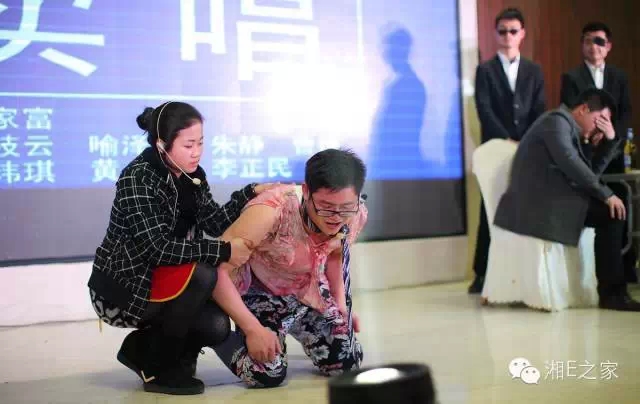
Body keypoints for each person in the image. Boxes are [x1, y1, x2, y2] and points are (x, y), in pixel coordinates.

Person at [87, 101, 277, 395]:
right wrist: (224, 251)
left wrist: (249, 193)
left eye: (200, 142)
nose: (197, 152)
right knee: (203, 274)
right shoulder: (137, 178)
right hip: (125, 288)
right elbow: (157, 249)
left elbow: (215, 221)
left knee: (216, 325)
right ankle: (160, 370)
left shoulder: (192, 175)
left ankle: (142, 350)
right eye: (188, 145)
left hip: (165, 280)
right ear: (162, 144)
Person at [208, 148, 368, 388]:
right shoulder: (271, 209)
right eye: (326, 206)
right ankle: (215, 334)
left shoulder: (355, 213)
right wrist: (252, 329)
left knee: (348, 359)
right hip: (259, 293)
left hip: (309, 290)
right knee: (265, 374)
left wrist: (340, 305)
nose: (336, 217)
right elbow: (217, 269)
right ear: (306, 191)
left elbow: (335, 254)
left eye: (345, 207)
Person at [493, 88, 640, 312]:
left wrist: (607, 141)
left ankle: (613, 292)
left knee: (611, 212)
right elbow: (571, 162)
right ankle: (612, 294)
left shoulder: (571, 130)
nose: (602, 126)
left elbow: (590, 173)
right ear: (584, 109)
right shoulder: (556, 122)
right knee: (611, 213)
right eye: (602, 119)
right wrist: (606, 194)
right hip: (539, 203)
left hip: (555, 198)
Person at [470, 7, 546, 294]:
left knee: (523, 206)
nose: (507, 36)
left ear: (522, 34)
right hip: (495, 149)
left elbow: (539, 110)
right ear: (495, 34)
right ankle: (482, 273)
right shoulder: (485, 70)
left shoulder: (534, 71)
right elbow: (484, 110)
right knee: (489, 206)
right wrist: (505, 139)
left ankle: (519, 273)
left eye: (513, 31)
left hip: (527, 148)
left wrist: (525, 141)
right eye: (502, 31)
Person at [560, 21, 636, 283]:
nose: (594, 46)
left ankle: (626, 267)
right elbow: (571, 111)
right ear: (582, 45)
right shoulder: (571, 77)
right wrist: (593, 135)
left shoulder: (619, 76)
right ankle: (596, 274)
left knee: (622, 205)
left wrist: (611, 134)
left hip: (614, 151)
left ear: (609, 46)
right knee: (598, 204)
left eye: (600, 41)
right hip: (587, 152)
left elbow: (625, 113)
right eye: (588, 40)